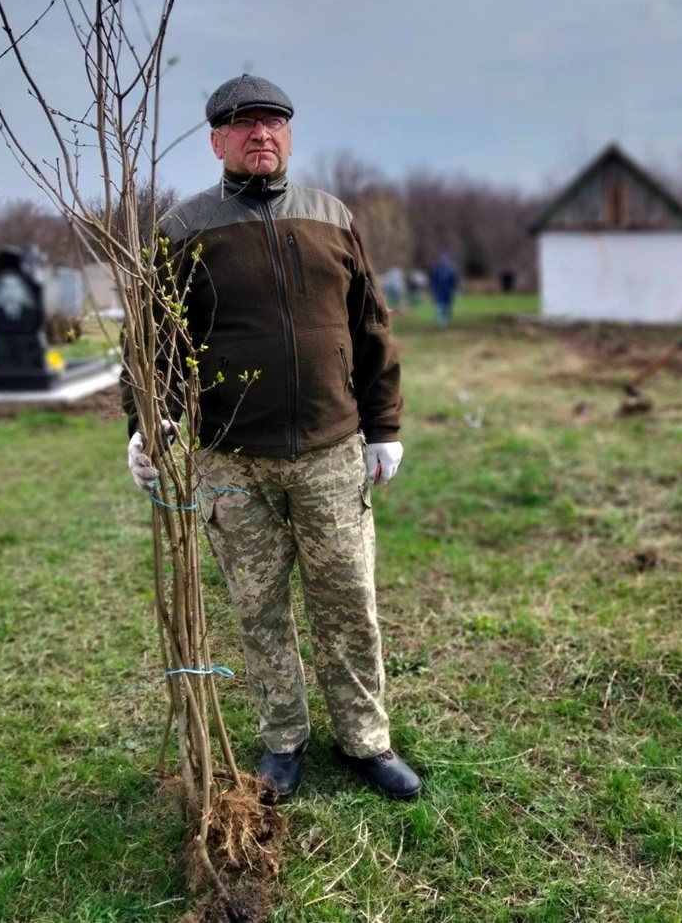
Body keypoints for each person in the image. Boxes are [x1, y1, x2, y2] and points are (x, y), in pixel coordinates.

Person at [124, 74, 421, 803]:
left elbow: (371, 327)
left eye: (273, 123)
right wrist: (148, 423)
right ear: (218, 139)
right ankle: (282, 738)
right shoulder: (182, 229)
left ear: (289, 134)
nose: (261, 134)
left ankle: (364, 738)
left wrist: (382, 427)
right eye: (244, 124)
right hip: (232, 456)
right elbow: (154, 341)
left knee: (347, 599)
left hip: (329, 451)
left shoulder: (330, 216)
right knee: (258, 607)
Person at [428, 248, 459, 325]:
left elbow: (454, 280)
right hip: (438, 291)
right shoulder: (436, 269)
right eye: (441, 258)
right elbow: (433, 280)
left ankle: (445, 319)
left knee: (447, 307)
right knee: (439, 306)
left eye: (445, 258)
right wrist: (432, 289)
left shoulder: (452, 269)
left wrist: (454, 289)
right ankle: (440, 321)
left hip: (448, 291)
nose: (443, 260)